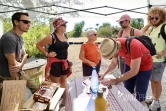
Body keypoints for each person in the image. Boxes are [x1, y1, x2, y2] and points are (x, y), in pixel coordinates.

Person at [99, 36, 152, 106]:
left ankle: (141, 105)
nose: (113, 56)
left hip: (144, 66)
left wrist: (116, 80)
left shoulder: (134, 45)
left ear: (117, 49)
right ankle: (130, 105)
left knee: (140, 93)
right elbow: (114, 63)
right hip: (129, 63)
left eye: (112, 55)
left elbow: (134, 71)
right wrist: (104, 74)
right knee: (127, 89)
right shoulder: (113, 46)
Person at [0, 12, 39, 100]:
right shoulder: (9, 38)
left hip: (20, 72)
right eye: (25, 22)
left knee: (37, 90)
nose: (29, 24)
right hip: (8, 76)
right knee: (17, 100)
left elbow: (25, 55)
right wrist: (17, 84)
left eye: (29, 22)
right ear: (16, 22)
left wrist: (21, 65)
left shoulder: (20, 38)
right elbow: (12, 65)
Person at [36, 18, 70, 104]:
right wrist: (47, 54)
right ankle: (53, 102)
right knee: (54, 84)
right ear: (58, 27)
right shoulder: (51, 37)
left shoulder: (65, 35)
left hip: (64, 62)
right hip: (55, 63)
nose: (66, 26)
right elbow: (39, 45)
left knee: (63, 81)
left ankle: (64, 100)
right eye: (64, 25)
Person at [141, 7, 166, 110]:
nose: (154, 20)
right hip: (150, 60)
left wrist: (164, 52)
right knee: (152, 80)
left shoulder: (164, 27)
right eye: (151, 18)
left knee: (157, 81)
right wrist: (148, 24)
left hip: (159, 61)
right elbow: (140, 33)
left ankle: (156, 102)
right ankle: (154, 97)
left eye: (156, 18)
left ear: (162, 17)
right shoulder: (151, 29)